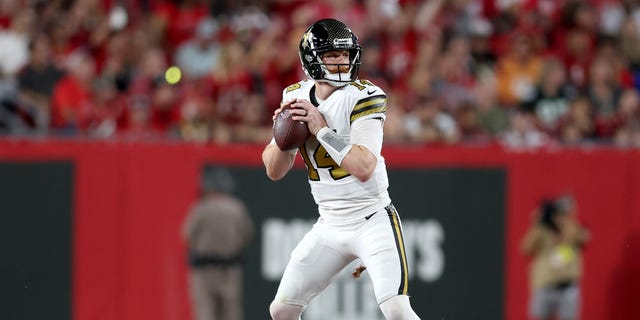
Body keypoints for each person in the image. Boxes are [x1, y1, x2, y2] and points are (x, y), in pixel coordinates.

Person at [261, 18, 421, 320]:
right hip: (330, 225)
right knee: (281, 310)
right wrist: (281, 137)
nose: (340, 62)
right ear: (312, 58)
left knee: (397, 309)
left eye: (345, 55)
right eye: (332, 55)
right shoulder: (294, 96)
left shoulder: (364, 96)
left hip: (371, 218)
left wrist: (321, 130)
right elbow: (274, 170)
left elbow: (363, 167)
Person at [181, 168, 254, 320]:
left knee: (205, 312)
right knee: (230, 313)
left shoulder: (202, 208)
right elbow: (247, 234)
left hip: (204, 271)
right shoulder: (236, 208)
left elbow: (186, 236)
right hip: (229, 269)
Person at [521, 195, 590, 320]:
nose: (561, 217)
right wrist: (538, 224)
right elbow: (526, 249)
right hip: (545, 286)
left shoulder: (572, 228)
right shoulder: (542, 231)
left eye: (564, 214)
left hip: (567, 288)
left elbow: (585, 238)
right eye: (558, 214)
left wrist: (567, 227)